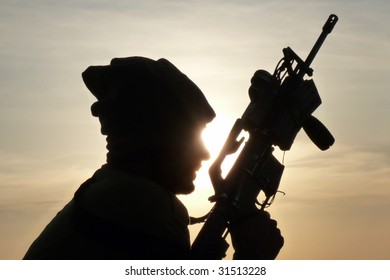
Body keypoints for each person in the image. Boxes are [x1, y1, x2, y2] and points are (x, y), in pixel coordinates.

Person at [23, 56, 283, 260]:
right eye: (189, 140)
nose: (205, 154)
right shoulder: (146, 205)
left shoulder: (108, 188)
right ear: (153, 142)